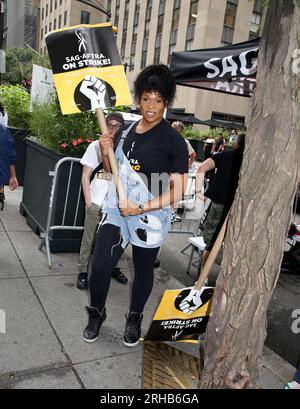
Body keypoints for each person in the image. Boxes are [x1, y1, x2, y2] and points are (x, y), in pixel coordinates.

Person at [83, 64, 189, 347]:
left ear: (166, 101)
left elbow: (177, 191)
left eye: (157, 100)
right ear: (139, 99)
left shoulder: (175, 141)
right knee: (102, 264)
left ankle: (134, 317)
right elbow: (110, 170)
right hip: (118, 210)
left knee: (143, 270)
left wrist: (141, 209)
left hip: (149, 216)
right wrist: (106, 150)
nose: (151, 106)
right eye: (146, 98)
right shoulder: (127, 132)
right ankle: (96, 313)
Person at [77, 112, 128, 290]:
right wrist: (88, 201)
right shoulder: (95, 147)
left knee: (115, 240)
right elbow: (85, 175)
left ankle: (113, 267)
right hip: (97, 201)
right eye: (110, 125)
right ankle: (83, 271)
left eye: (117, 126)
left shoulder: (125, 149)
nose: (113, 129)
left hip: (115, 205)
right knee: (89, 238)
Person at [195, 133, 245, 272]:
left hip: (219, 204)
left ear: (235, 144)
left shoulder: (224, 155)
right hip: (239, 207)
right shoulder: (250, 162)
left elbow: (201, 168)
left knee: (211, 244)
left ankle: (202, 278)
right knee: (232, 243)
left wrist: (198, 192)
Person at [0, 124, 18, 210]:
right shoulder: (3, 131)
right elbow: (11, 155)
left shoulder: (3, 131)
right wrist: (13, 176)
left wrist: (13, 176)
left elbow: (10, 155)